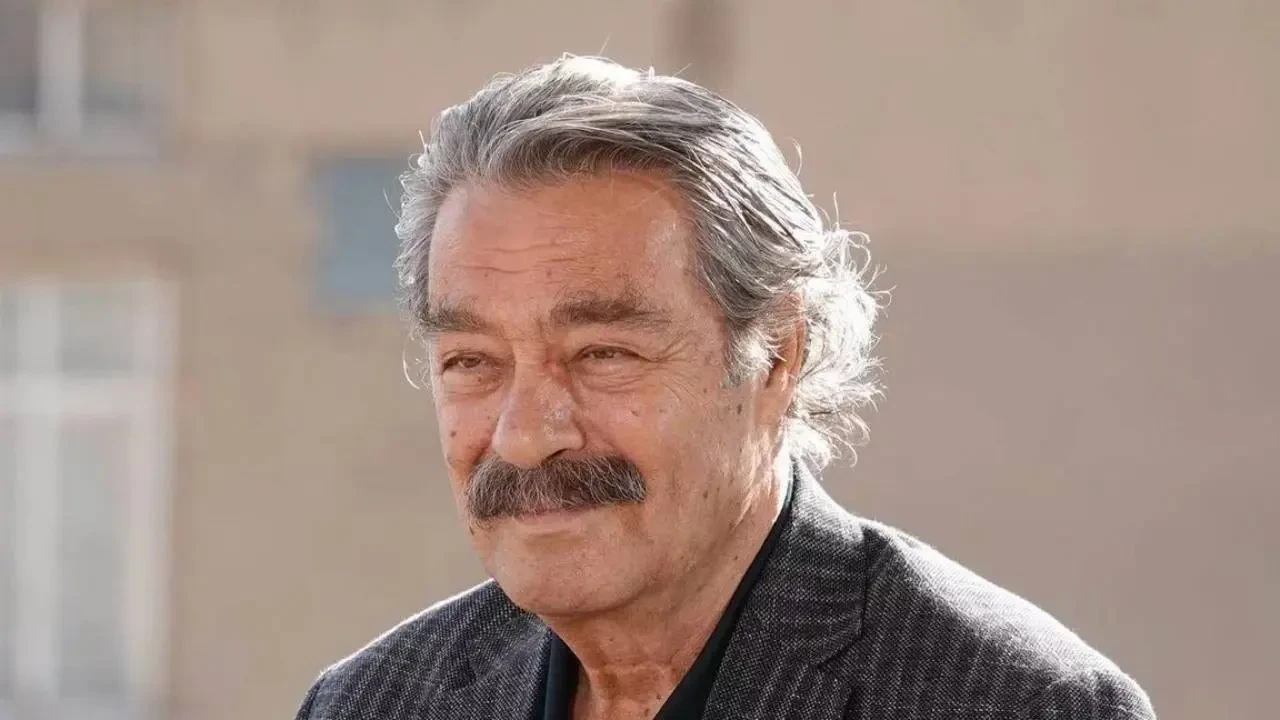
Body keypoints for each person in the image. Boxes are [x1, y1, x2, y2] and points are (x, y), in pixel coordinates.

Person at [294, 55, 1155, 720]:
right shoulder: (373, 703)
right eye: (473, 362)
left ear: (777, 353)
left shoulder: (1015, 704)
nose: (525, 436)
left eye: (602, 354)